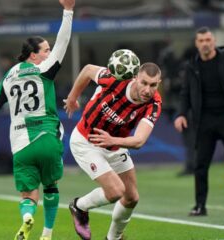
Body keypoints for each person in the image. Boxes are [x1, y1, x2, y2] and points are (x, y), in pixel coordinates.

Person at [0, 0, 75, 239]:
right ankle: (47, 234)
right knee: (51, 186)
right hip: (47, 136)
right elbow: (64, 42)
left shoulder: (9, 76)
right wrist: (68, 11)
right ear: (34, 55)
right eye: (46, 49)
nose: (49, 52)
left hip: (21, 144)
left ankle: (27, 215)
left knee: (28, 195)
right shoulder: (45, 68)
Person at [64, 61, 162, 240]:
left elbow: (139, 140)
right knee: (116, 191)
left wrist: (112, 141)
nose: (148, 89)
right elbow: (87, 70)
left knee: (131, 197)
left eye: (153, 85)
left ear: (159, 83)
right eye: (144, 83)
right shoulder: (115, 79)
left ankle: (113, 238)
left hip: (114, 145)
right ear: (136, 78)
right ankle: (79, 206)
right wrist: (72, 97)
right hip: (86, 141)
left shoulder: (154, 104)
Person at [173, 26, 224, 216]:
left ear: (214, 41)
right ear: (196, 44)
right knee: (201, 164)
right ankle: (200, 206)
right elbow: (185, 93)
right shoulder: (192, 66)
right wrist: (181, 114)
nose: (205, 44)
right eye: (201, 41)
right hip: (204, 120)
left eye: (208, 40)